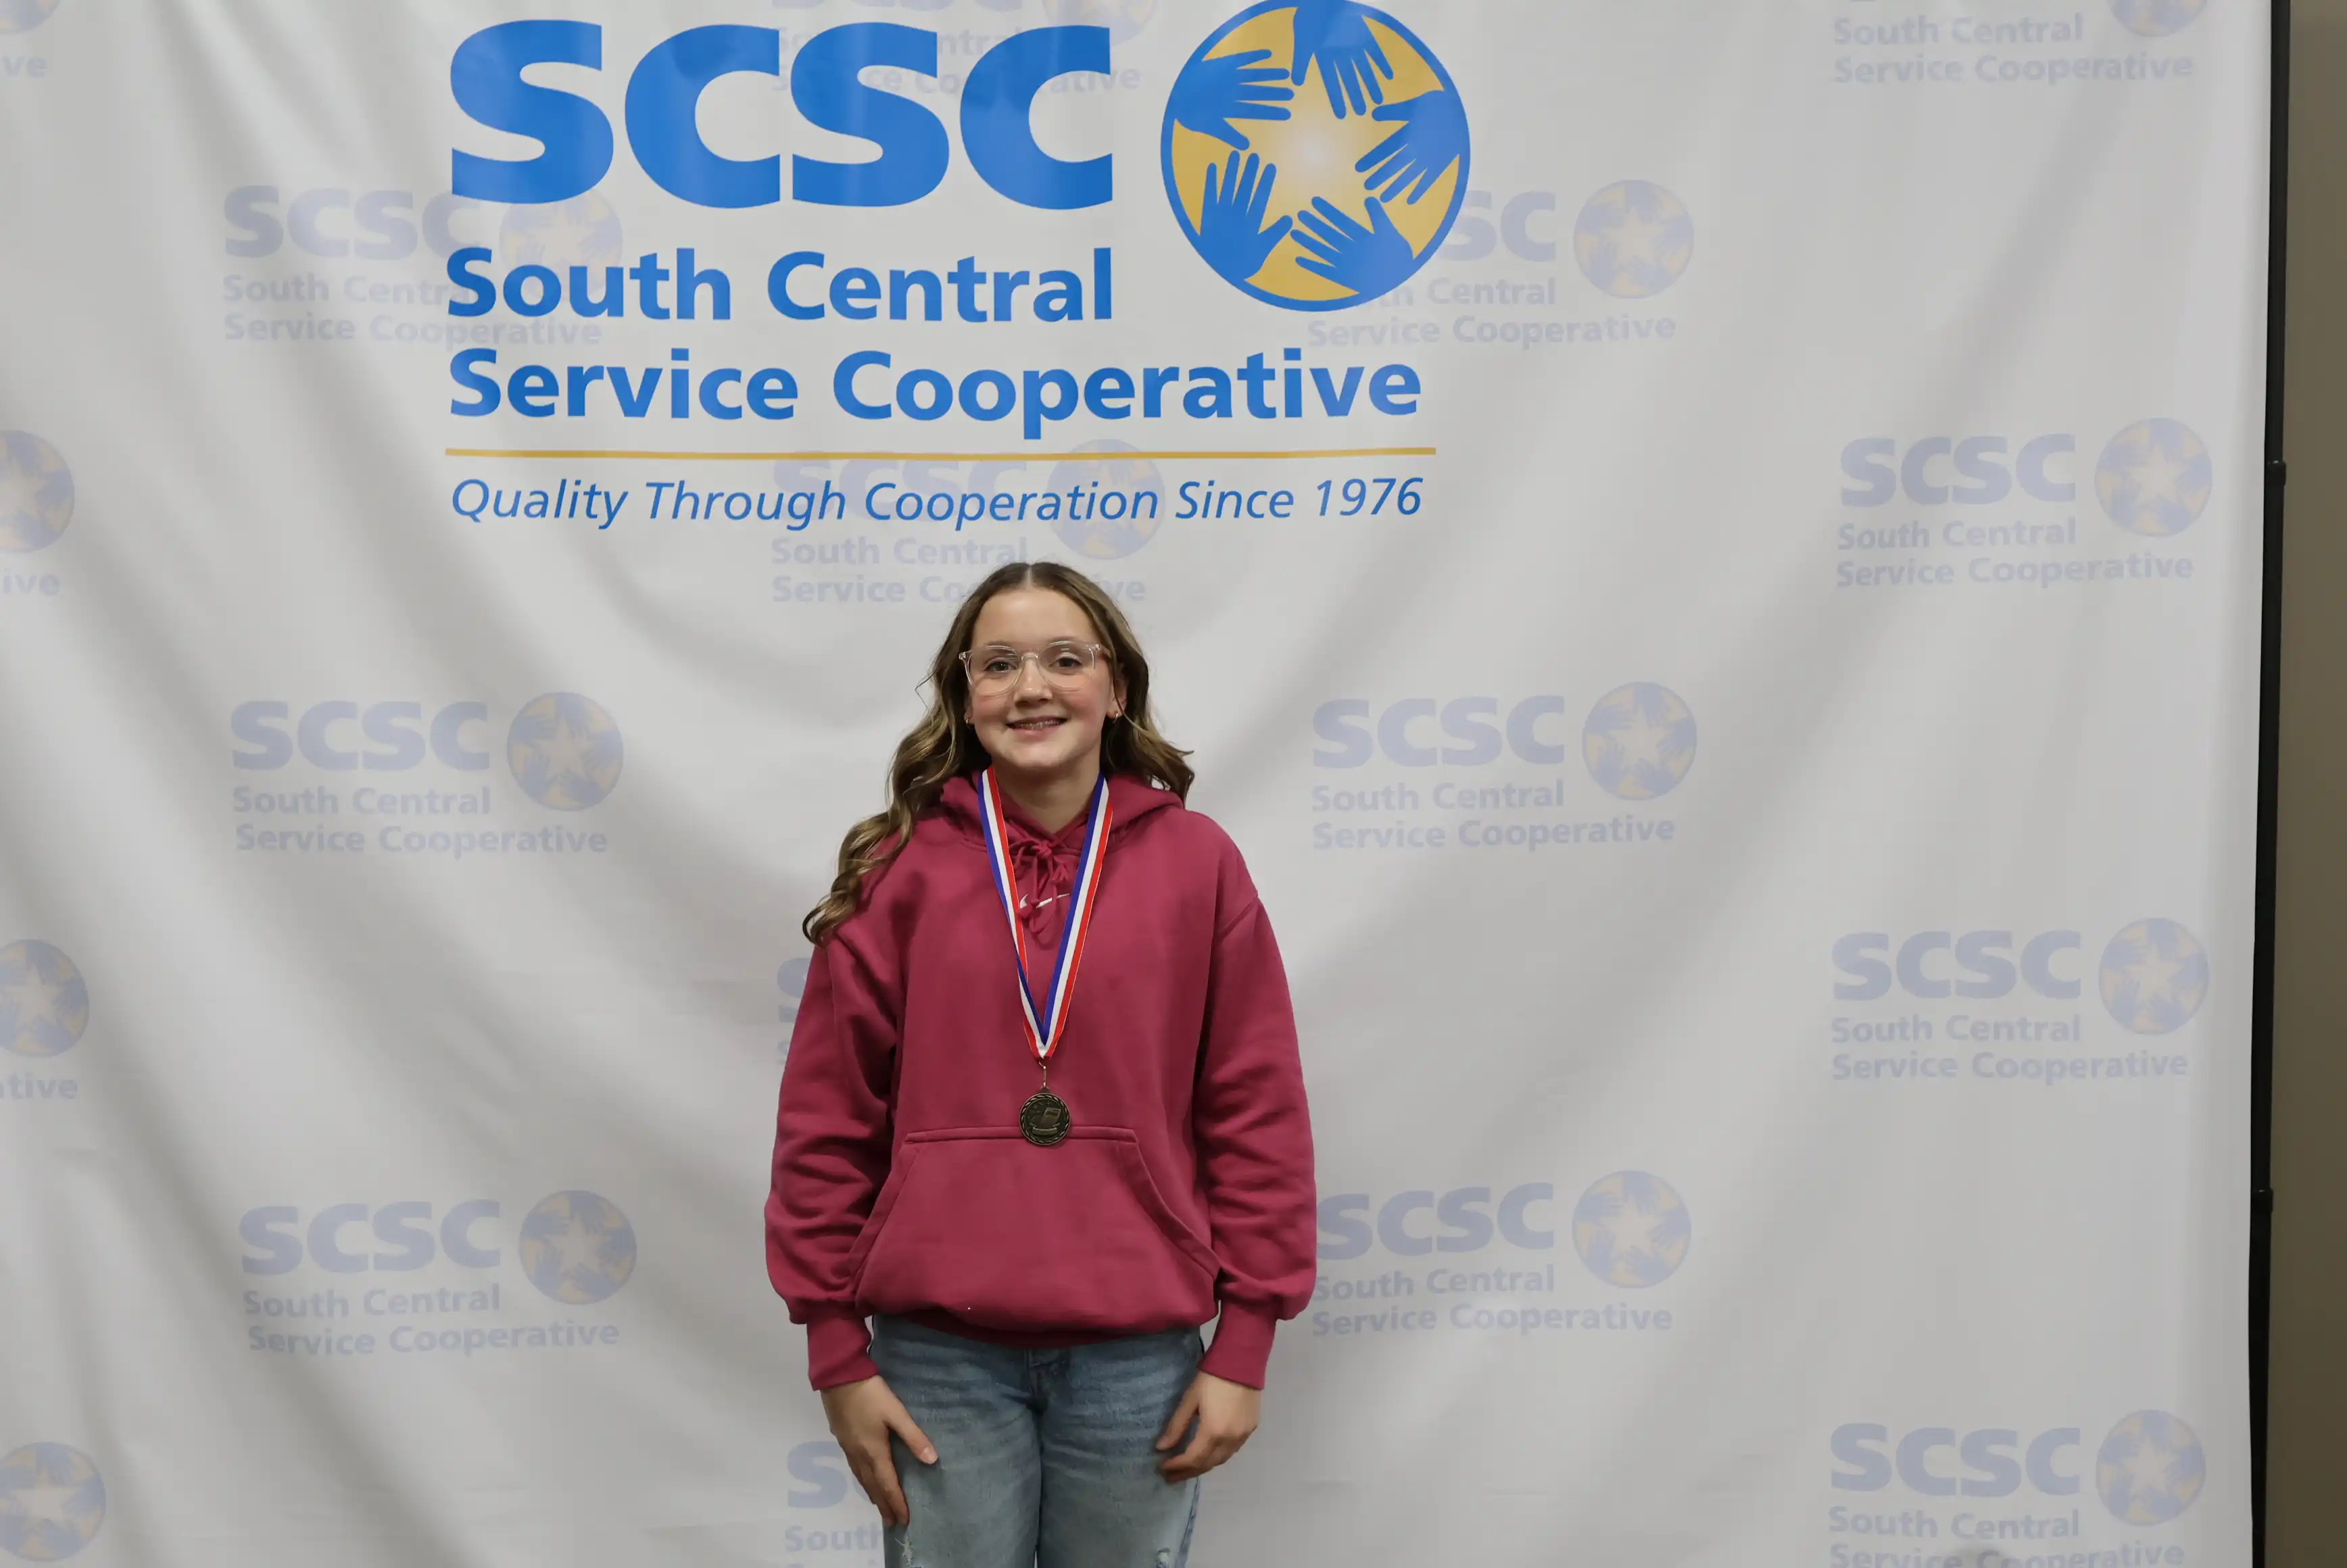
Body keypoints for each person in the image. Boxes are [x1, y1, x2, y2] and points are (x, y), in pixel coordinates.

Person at [766, 561, 1317, 1568]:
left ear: (1115, 687)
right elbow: (826, 1121)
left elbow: (1256, 1110)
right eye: (999, 664)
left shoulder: (1199, 864)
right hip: (939, 1357)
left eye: (1066, 659)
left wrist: (1246, 1340)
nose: (1032, 687)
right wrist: (834, 1350)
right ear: (963, 697)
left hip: (1138, 1356)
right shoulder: (898, 871)